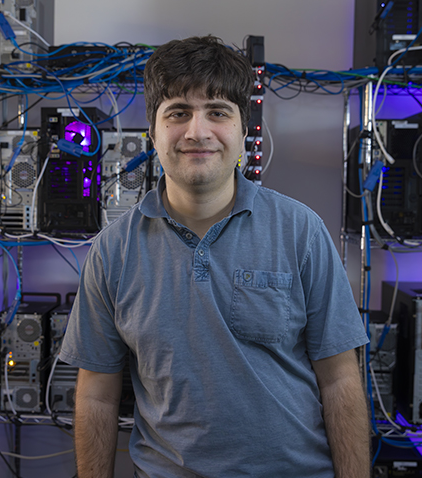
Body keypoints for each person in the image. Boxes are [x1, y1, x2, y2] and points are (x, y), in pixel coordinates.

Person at [59, 35, 370, 478]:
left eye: (218, 112)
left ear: (244, 131)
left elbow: (340, 379)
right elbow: (96, 394)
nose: (197, 131)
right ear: (153, 131)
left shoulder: (301, 232)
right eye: (178, 112)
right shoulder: (114, 250)